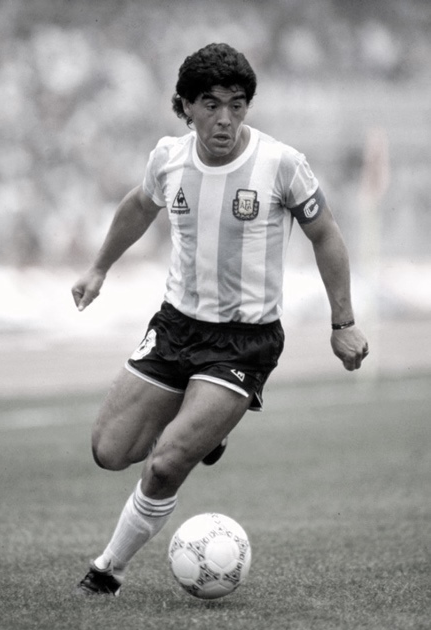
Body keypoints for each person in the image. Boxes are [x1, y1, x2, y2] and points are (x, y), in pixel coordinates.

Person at [72, 43, 369, 596]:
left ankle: (107, 570)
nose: (225, 119)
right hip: (175, 327)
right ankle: (208, 431)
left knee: (165, 464)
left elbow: (325, 232)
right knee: (109, 451)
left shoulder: (281, 163)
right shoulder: (168, 158)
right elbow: (138, 206)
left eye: (237, 104)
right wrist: (98, 268)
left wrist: (342, 322)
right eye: (211, 104)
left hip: (244, 342)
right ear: (186, 106)